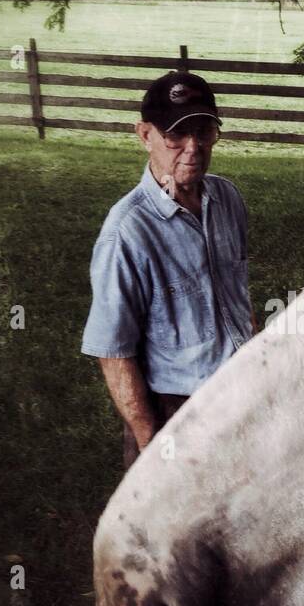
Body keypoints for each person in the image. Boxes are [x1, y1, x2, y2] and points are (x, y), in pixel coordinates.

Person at [81, 70, 255, 469]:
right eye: (175, 135)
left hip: (241, 393)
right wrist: (151, 445)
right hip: (178, 409)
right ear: (145, 136)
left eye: (204, 131)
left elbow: (238, 295)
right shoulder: (127, 232)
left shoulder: (227, 199)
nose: (192, 148)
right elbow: (113, 352)